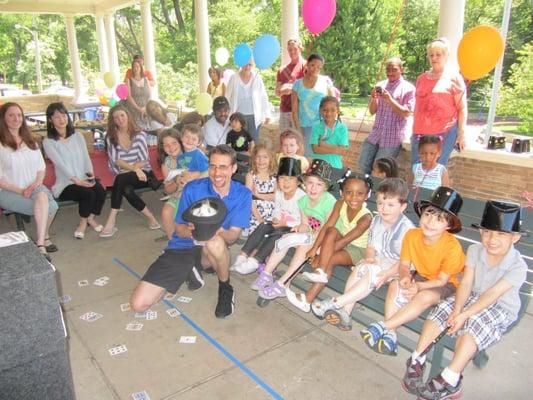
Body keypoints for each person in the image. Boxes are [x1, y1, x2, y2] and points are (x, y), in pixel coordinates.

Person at [403, 201, 527, 400]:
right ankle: (417, 359)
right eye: (487, 232)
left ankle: (450, 379)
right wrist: (457, 309)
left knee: (472, 328)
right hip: (470, 297)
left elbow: (492, 295)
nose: (492, 239)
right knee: (440, 313)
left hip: (500, 306)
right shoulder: (475, 251)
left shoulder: (517, 266)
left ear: (515, 238)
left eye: (501, 234)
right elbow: (466, 283)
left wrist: (464, 315)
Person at [130, 145, 252, 319]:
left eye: (223, 167)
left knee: (214, 241)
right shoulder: (193, 188)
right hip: (183, 246)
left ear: (233, 168)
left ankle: (225, 289)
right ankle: (190, 268)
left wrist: (212, 229)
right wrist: (192, 231)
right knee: (138, 305)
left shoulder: (243, 194)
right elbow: (178, 228)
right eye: (212, 166)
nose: (217, 173)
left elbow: (232, 236)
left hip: (211, 251)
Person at [360, 186, 465, 356]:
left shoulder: (452, 247)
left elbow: (441, 281)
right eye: (428, 215)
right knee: (396, 286)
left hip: (447, 282)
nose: (430, 222)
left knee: (423, 297)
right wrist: (405, 277)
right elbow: (404, 264)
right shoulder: (412, 235)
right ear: (421, 215)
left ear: (448, 225)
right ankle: (391, 335)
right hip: (421, 275)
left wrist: (418, 288)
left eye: (439, 219)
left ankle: (384, 326)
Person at [311, 178, 414, 330]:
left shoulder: (407, 230)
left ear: (403, 206)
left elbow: (404, 261)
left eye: (391, 205)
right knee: (360, 268)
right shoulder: (377, 220)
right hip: (379, 260)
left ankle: (336, 302)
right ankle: (345, 313)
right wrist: (369, 258)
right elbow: (371, 246)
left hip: (397, 268)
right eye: (380, 203)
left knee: (373, 273)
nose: (384, 208)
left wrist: (386, 274)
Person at [286, 173, 373, 312]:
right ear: (341, 193)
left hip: (357, 250)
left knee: (330, 259)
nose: (354, 198)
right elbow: (326, 227)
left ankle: (307, 299)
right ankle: (321, 271)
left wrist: (321, 257)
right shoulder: (340, 204)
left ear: (367, 195)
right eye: (348, 192)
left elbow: (345, 241)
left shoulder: (366, 218)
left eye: (360, 193)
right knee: (332, 230)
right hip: (341, 241)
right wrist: (314, 249)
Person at [257, 159, 337, 301]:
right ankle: (267, 274)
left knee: (302, 248)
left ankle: (283, 283)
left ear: (325, 187)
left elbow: (329, 227)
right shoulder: (303, 201)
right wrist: (300, 228)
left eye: (319, 184)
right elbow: (305, 224)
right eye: (310, 183)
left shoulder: (329, 201)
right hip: (311, 237)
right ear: (304, 184)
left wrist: (308, 235)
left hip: (329, 241)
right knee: (285, 239)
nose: (313, 188)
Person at [0, 102, 58, 261]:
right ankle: (44, 237)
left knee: (45, 201)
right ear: (3, 119)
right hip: (9, 191)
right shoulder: (1, 144)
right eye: (10, 115)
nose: (15, 119)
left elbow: (41, 168)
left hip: (34, 187)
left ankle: (40, 242)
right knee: (49, 206)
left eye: (19, 115)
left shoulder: (30, 140)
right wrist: (21, 191)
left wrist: (38, 182)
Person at [43, 102, 106, 239]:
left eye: (64, 115)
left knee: (100, 191)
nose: (61, 119)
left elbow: (85, 157)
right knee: (87, 194)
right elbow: (60, 164)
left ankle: (90, 218)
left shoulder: (77, 136)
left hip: (83, 178)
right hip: (66, 183)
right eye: (57, 117)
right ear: (50, 120)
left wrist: (90, 176)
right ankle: (83, 223)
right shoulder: (48, 142)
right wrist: (76, 180)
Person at [233, 157, 305, 276]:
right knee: (264, 225)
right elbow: (277, 209)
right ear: (277, 180)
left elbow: (302, 221)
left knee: (278, 234)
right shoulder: (279, 193)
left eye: (291, 179)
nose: (286, 183)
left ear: (298, 182)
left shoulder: (301, 197)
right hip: (281, 223)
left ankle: (255, 261)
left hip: (294, 229)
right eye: (282, 178)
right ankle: (242, 257)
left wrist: (284, 224)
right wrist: (276, 218)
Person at [99, 105, 160, 237]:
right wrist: (133, 169)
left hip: (144, 174)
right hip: (126, 174)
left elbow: (143, 159)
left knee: (120, 179)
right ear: (112, 120)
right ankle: (151, 218)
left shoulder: (139, 134)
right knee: (126, 189)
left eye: (122, 115)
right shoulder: (111, 137)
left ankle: (111, 220)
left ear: (128, 116)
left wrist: (136, 170)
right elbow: (116, 160)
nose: (120, 119)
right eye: (116, 117)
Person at [412, 38, 467, 167]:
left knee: (435, 172)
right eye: (431, 55)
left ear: (446, 56)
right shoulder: (421, 79)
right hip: (420, 133)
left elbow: (462, 108)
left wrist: (461, 133)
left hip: (443, 133)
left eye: (438, 54)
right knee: (417, 170)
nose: (434, 58)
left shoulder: (454, 78)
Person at [358, 57, 415, 175]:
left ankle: (376, 191)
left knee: (380, 172)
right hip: (375, 135)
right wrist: (373, 98)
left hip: (392, 138)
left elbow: (406, 112)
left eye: (394, 69)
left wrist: (389, 99)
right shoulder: (381, 85)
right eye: (388, 69)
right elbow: (372, 111)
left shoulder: (408, 89)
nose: (390, 73)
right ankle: (365, 189)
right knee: (363, 163)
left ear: (401, 69)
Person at [292, 53, 335, 156]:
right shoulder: (297, 84)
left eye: (319, 67)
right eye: (313, 65)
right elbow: (294, 111)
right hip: (304, 127)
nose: (315, 68)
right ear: (307, 64)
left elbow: (333, 104)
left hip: (322, 126)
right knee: (307, 157)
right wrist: (299, 132)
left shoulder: (326, 81)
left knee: (322, 159)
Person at [226, 60, 271, 142]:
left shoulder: (257, 78)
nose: (247, 67)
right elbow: (227, 96)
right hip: (238, 116)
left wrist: (267, 114)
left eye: (250, 65)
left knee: (253, 140)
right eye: (245, 64)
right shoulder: (234, 78)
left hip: (254, 116)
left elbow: (263, 96)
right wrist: (227, 114)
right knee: (240, 141)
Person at [244, 144, 276, 235]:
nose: (261, 160)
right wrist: (261, 221)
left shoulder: (273, 176)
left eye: (265, 157)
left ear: (271, 159)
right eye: (258, 157)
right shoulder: (251, 176)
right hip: (255, 215)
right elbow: (248, 200)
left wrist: (258, 194)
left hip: (272, 215)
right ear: (254, 159)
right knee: (258, 237)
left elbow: (276, 197)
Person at [310, 96, 349, 169]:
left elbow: (343, 152)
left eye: (332, 110)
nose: (328, 113)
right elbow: (315, 149)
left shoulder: (342, 128)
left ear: (338, 110)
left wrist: (324, 145)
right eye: (325, 110)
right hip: (318, 166)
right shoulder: (316, 127)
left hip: (335, 167)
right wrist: (337, 149)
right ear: (320, 110)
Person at [275, 38, 306, 131]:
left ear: (300, 48)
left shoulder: (306, 66)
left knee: (298, 142)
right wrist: (281, 90)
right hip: (284, 111)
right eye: (289, 49)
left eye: (295, 49)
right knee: (284, 140)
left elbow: (310, 87)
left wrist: (291, 88)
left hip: (300, 112)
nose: (292, 52)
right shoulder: (282, 70)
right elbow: (277, 92)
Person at [159, 128, 183, 239]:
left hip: (196, 194)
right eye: (166, 145)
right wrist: (175, 182)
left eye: (174, 142)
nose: (171, 147)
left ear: (181, 142)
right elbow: (167, 190)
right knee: (166, 212)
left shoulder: (192, 155)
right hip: (177, 195)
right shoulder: (166, 164)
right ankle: (173, 243)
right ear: (162, 148)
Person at [125, 59, 152, 131]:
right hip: (133, 109)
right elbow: (128, 96)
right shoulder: (129, 80)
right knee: (138, 130)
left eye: (137, 66)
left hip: (145, 109)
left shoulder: (146, 79)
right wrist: (138, 108)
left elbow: (149, 95)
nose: (136, 68)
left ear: (141, 68)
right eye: (134, 67)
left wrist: (146, 107)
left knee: (149, 129)